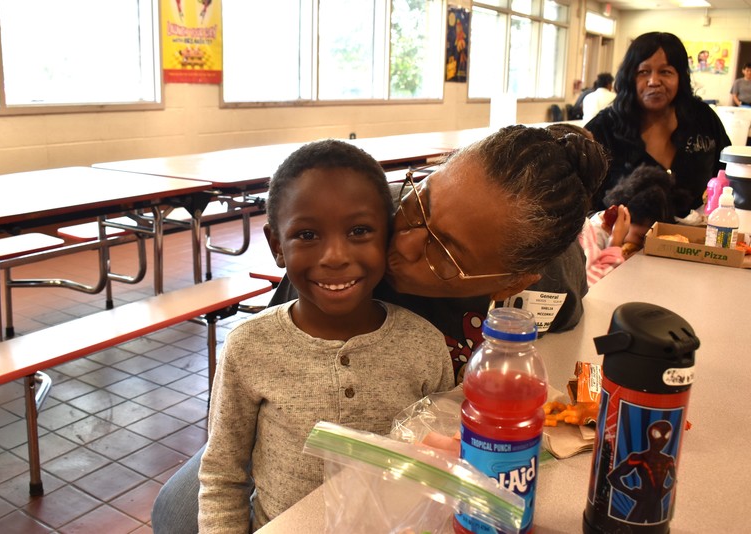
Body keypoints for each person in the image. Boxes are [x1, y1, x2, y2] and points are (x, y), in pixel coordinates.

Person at [151, 125, 608, 533]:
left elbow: (566, 308)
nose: (403, 241)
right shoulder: (355, 226)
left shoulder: (545, 281)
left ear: (510, 283)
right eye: (419, 203)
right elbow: (274, 373)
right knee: (176, 512)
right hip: (298, 446)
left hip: (401, 468)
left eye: (444, 252)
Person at [197, 139, 455, 532]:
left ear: (388, 239)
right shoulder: (250, 347)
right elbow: (222, 474)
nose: (335, 255)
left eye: (359, 230)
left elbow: (439, 468)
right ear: (276, 246)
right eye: (307, 235)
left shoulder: (424, 344)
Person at [585, 31, 731, 217]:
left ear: (680, 77)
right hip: (617, 241)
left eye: (666, 72)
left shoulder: (702, 119)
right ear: (630, 77)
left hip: (690, 240)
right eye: (643, 72)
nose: (654, 81)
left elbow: (730, 173)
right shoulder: (604, 128)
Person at [580, 165, 678, 286]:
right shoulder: (593, 236)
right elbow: (595, 284)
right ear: (622, 218)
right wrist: (615, 244)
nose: (643, 245)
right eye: (641, 237)